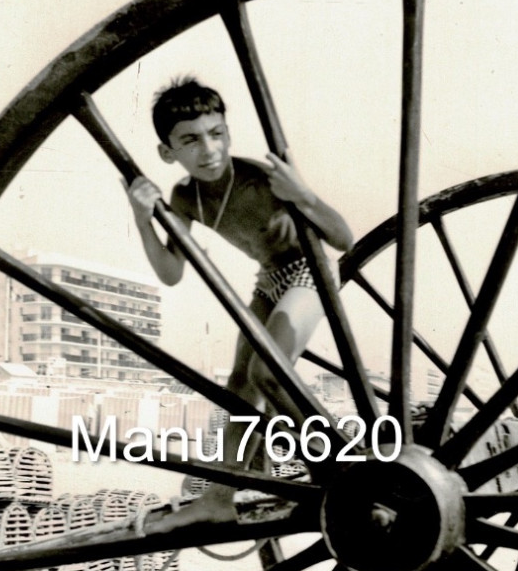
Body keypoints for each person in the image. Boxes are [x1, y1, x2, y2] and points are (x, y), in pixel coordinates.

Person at [124, 77, 353, 528]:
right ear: (167, 153)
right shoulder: (184, 197)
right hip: (269, 281)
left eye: (217, 134)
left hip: (311, 271)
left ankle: (339, 467)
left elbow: (344, 239)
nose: (208, 150)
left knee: (268, 374)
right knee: (239, 389)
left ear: (228, 133)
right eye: (191, 140)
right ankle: (219, 497)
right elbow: (171, 273)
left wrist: (303, 196)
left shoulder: (260, 178)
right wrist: (143, 219)